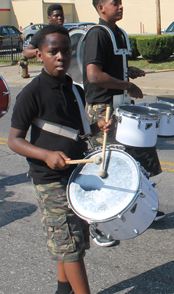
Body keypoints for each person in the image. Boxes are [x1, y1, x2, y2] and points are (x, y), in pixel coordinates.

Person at [8, 25, 112, 294]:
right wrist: (46, 155)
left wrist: (96, 124)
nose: (60, 57)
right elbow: (15, 140)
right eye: (53, 51)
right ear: (39, 55)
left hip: (75, 175)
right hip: (50, 178)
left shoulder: (74, 89)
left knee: (72, 239)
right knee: (68, 243)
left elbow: (77, 127)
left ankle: (63, 289)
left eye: (66, 51)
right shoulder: (31, 93)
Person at [82, 0, 165, 247]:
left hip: (119, 106)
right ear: (101, 8)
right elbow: (94, 75)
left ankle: (136, 210)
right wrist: (127, 85)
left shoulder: (117, 33)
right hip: (102, 109)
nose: (120, 7)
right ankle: (98, 226)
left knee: (135, 160)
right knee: (106, 168)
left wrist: (130, 71)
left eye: (121, 2)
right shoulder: (97, 34)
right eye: (115, 3)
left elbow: (111, 65)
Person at [21, 4, 65, 78]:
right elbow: (26, 53)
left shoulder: (66, 33)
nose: (59, 18)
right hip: (50, 75)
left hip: (66, 73)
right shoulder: (43, 34)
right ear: (49, 18)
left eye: (61, 15)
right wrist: (45, 50)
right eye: (56, 16)